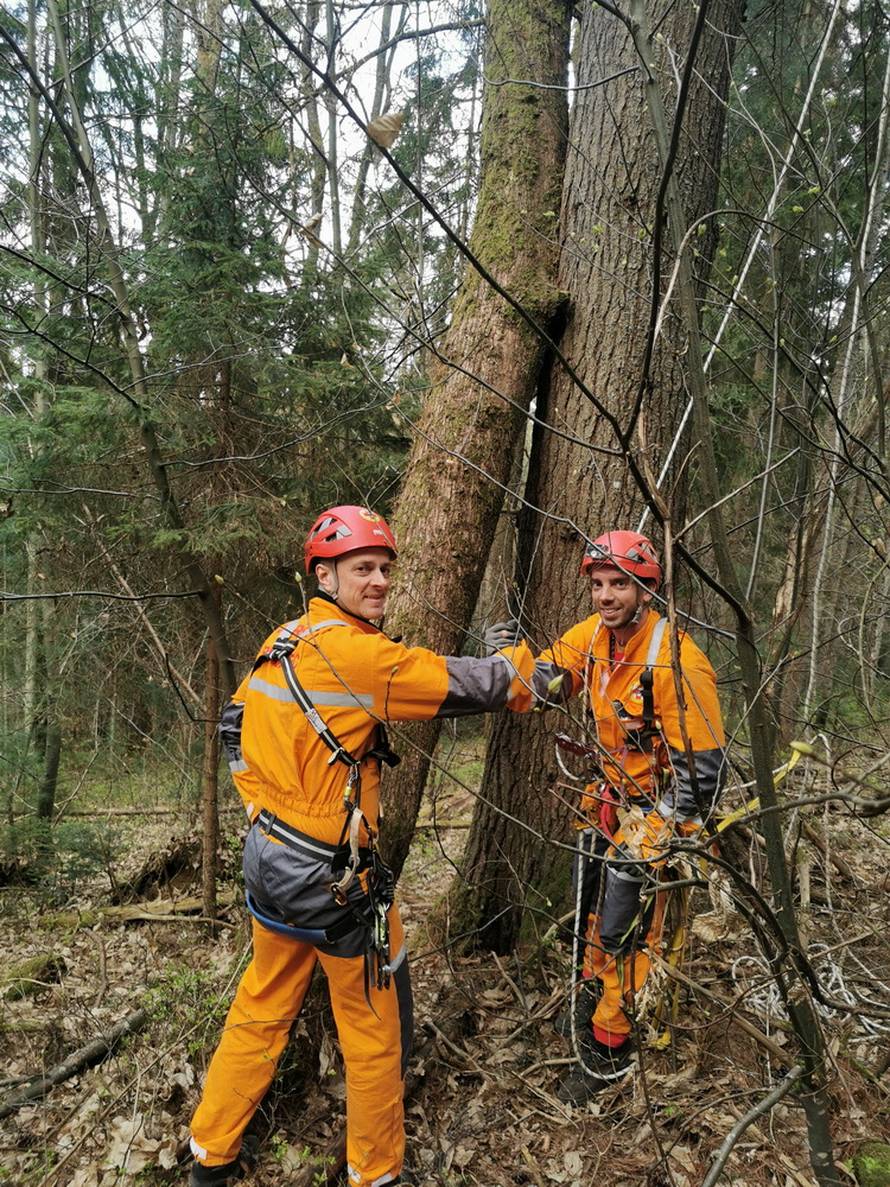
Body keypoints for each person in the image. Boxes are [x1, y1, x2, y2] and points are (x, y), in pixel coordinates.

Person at [188, 504, 533, 1186]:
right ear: (324, 574)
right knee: (373, 1029)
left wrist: (263, 812)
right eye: (362, 569)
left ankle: (209, 1156)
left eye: (383, 569)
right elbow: (473, 685)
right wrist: (521, 666)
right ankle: (374, 1173)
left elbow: (233, 726)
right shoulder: (357, 654)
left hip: (268, 861)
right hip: (332, 880)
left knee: (262, 1005)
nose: (378, 581)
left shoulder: (282, 640)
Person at [489, 530, 726, 1104]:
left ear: (646, 588)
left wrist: (654, 829)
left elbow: (704, 769)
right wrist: (502, 662)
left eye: (619, 584)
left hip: (664, 810)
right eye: (597, 584)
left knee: (626, 923)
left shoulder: (676, 659)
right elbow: (546, 685)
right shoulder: (591, 638)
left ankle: (611, 1049)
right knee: (591, 910)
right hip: (610, 800)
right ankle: (598, 1010)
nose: (605, 595)